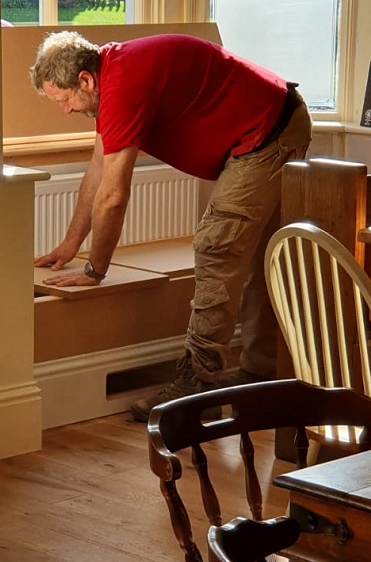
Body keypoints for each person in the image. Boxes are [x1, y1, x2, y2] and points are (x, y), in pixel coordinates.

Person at [30, 30, 311, 420]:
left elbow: (113, 195)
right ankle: (261, 373)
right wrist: (69, 246)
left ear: (85, 80)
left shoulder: (123, 86)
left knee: (217, 245)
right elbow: (96, 172)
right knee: (258, 254)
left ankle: (198, 385)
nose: (65, 110)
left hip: (269, 131)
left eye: (64, 100)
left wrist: (95, 270)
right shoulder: (112, 77)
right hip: (266, 124)